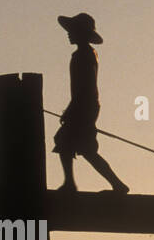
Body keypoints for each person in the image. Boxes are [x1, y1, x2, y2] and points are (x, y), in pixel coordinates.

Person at [53, 12, 129, 193]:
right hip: (87, 106)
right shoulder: (88, 54)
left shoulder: (82, 55)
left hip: (84, 106)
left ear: (81, 33)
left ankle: (73, 183)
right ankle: (114, 184)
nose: (69, 34)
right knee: (78, 145)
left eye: (72, 30)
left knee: (69, 142)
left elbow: (83, 87)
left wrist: (71, 110)